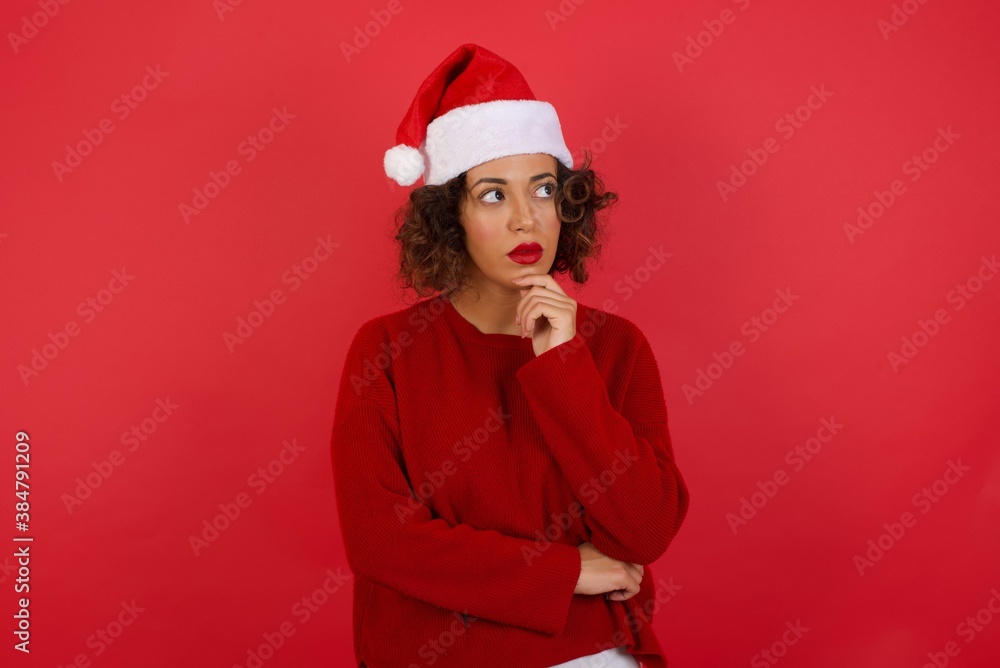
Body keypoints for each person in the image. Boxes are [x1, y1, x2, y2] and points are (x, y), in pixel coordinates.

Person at [331, 43, 689, 668]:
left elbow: (646, 530)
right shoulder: (386, 352)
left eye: (544, 190)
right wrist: (564, 571)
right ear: (451, 218)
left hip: (591, 654)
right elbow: (380, 541)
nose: (527, 219)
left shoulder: (615, 348)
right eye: (493, 195)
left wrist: (563, 366)